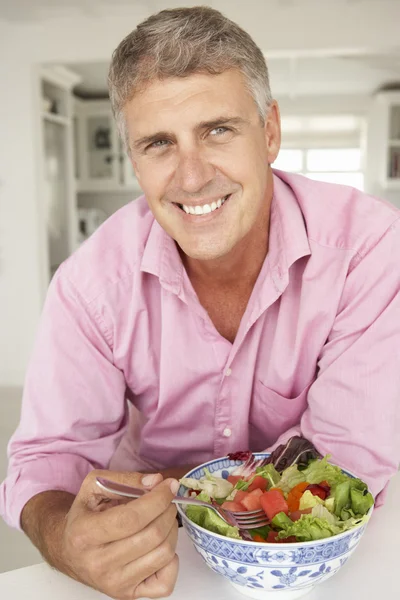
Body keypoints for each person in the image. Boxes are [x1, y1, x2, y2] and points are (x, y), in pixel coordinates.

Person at [1, 5, 400, 599]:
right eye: (158, 142)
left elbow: (341, 473)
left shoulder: (369, 251)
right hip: (156, 548)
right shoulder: (90, 284)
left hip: (316, 565)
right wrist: (63, 537)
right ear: (134, 158)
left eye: (218, 130)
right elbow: (48, 457)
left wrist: (165, 484)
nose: (191, 177)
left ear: (269, 132)